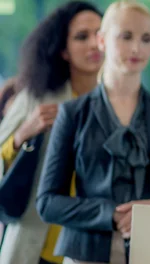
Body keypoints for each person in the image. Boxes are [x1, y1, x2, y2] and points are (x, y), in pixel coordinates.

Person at [36, 1, 150, 264]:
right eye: (126, 36)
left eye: (146, 38)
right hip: (85, 254)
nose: (137, 48)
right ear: (102, 40)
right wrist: (111, 214)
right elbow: (47, 202)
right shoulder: (72, 114)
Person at [0, 2, 103, 263]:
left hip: (91, 246)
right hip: (36, 242)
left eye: (100, 34)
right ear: (64, 50)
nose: (94, 43)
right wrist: (23, 134)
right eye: (82, 36)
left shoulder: (119, 105)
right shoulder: (37, 98)